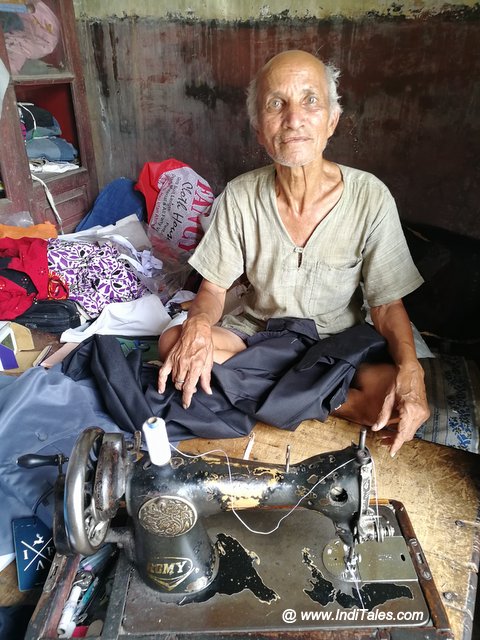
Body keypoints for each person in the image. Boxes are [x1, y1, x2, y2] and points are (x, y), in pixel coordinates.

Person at [158, 49, 430, 456]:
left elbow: (386, 305)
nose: (294, 117)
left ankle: (273, 396)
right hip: (261, 337)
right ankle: (329, 403)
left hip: (335, 346)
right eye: (276, 104)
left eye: (311, 100)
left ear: (332, 121)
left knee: (394, 392)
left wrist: (412, 369)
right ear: (259, 129)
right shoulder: (241, 196)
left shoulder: (370, 197)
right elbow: (214, 290)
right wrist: (197, 325)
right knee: (174, 341)